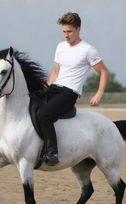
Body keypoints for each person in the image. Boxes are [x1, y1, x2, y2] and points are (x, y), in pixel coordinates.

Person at [37, 12, 109, 166]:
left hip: (69, 93)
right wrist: (46, 88)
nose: (66, 35)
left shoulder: (88, 50)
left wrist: (99, 94)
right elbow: (56, 71)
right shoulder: (60, 47)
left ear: (78, 29)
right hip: (54, 88)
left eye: (69, 31)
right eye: (63, 31)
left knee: (43, 114)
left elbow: (104, 71)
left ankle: (52, 152)